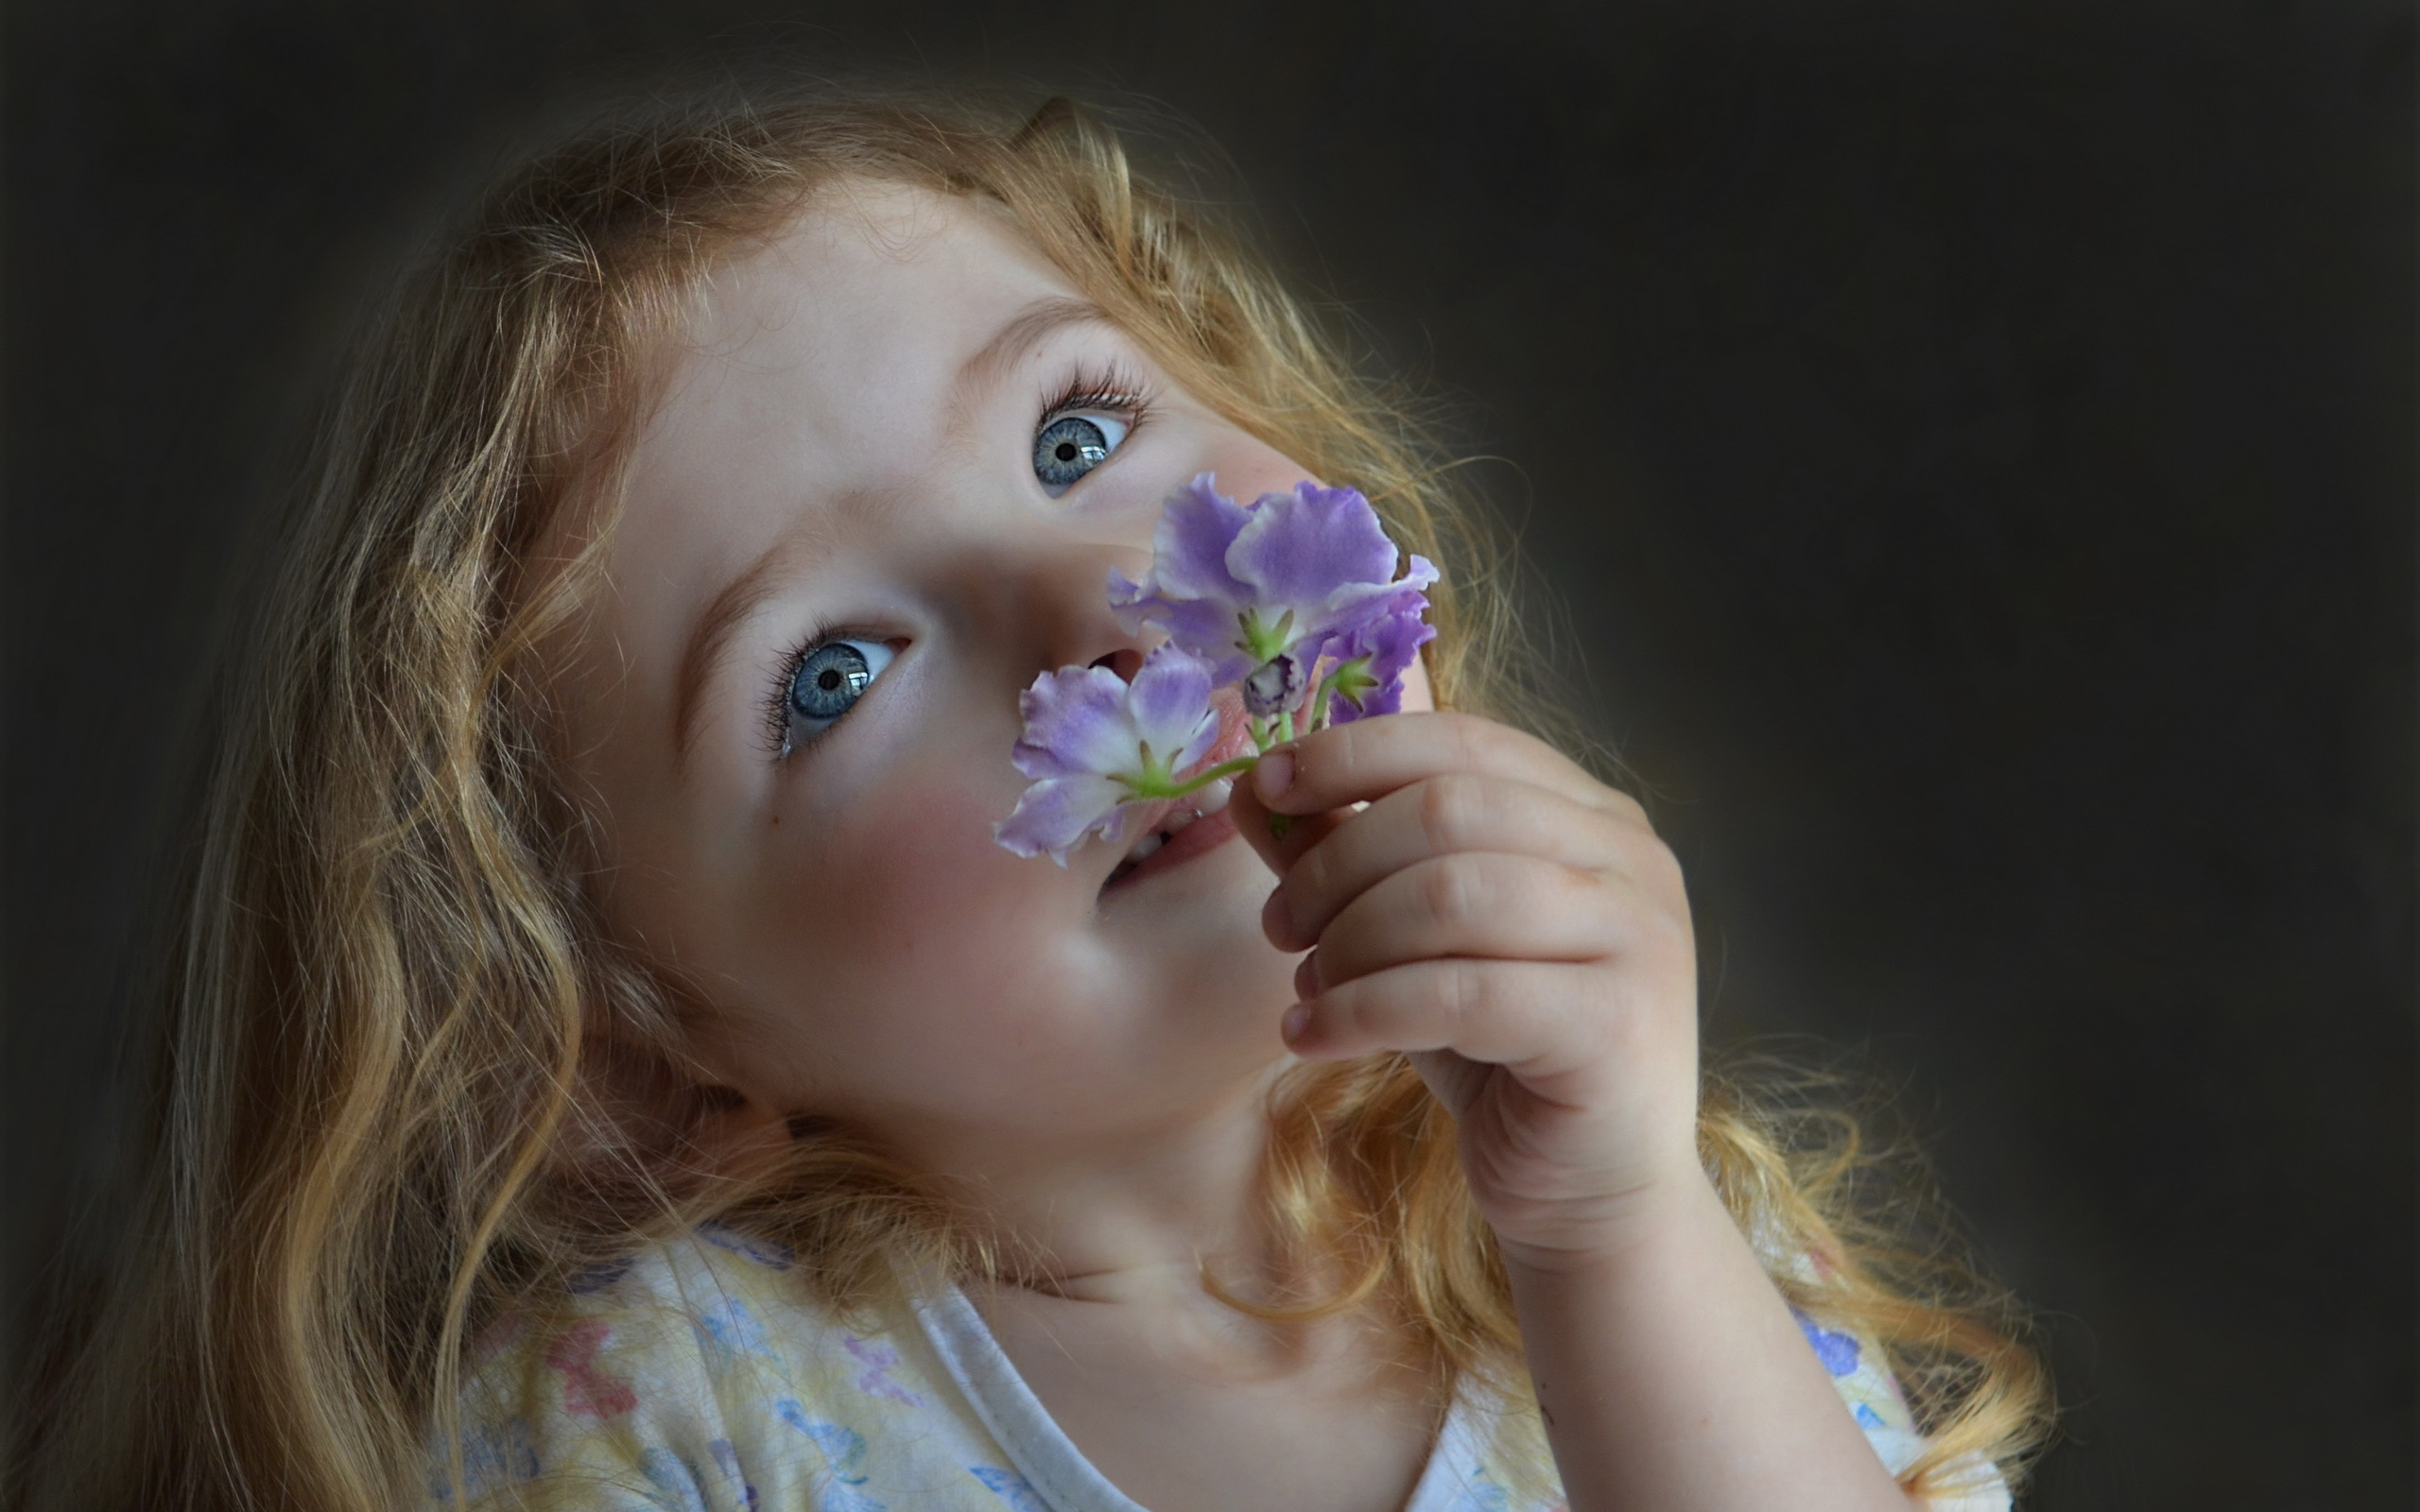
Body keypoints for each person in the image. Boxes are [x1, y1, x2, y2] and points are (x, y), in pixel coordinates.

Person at [20, 82, 2051, 1512]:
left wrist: (1612, 1227)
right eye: (831, 668)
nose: (1094, 602)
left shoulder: (1646, 1253)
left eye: (1080, 429)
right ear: (636, 1056)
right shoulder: (668, 1418)